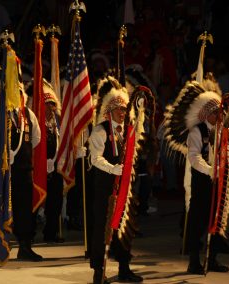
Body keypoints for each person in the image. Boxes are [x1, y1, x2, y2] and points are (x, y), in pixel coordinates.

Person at [88, 76, 143, 284]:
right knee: (102, 228)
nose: (123, 113)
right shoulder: (100, 131)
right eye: (119, 110)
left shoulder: (129, 133)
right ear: (109, 111)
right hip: (105, 189)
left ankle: (124, 267)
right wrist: (113, 169)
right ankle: (98, 271)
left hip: (125, 190)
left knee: (124, 227)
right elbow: (95, 158)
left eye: (124, 110)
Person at [0, 84, 43, 261]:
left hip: (23, 172)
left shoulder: (29, 115)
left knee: (24, 210)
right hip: (0, 172)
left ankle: (25, 246)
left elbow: (36, 139)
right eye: (14, 92)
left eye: (20, 93)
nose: (18, 96)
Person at [185, 89, 229, 274]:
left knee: (217, 219)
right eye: (215, 113)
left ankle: (212, 259)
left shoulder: (223, 130)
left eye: (219, 113)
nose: (218, 116)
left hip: (219, 181)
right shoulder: (197, 131)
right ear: (207, 113)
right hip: (202, 181)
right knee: (198, 220)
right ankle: (193, 261)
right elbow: (194, 157)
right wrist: (209, 170)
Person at [41, 79, 64, 243]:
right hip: (39, 168)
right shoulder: (35, 122)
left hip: (56, 169)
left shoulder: (59, 123)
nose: (50, 107)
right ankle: (27, 236)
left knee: (55, 202)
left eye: (52, 104)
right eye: (47, 104)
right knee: (35, 200)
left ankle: (51, 232)